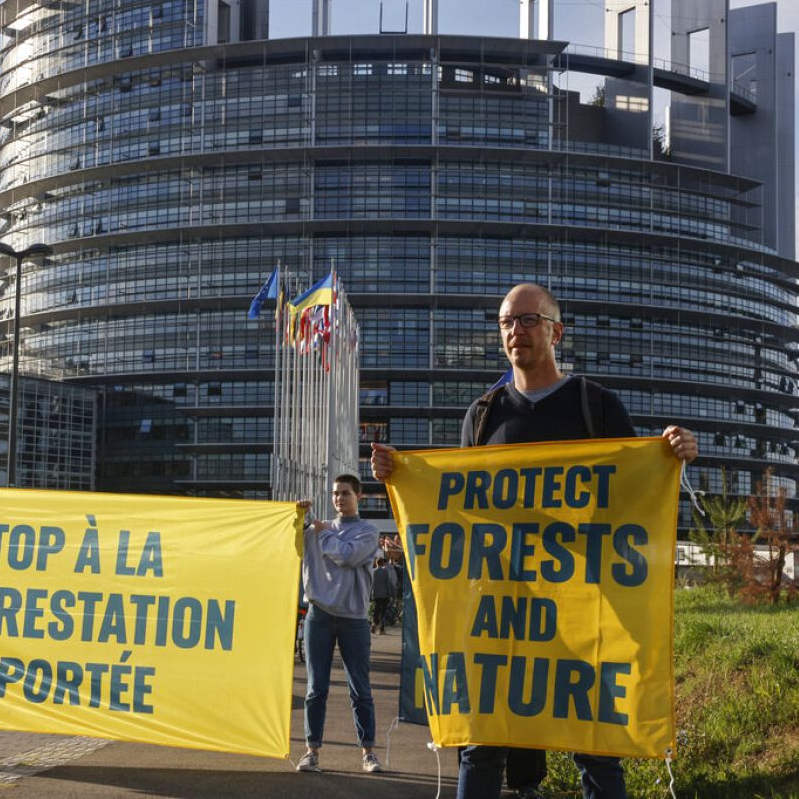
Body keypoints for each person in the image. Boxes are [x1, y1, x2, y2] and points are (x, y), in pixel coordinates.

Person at [371, 283, 698, 799]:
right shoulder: (482, 416)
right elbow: (459, 509)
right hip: (502, 612)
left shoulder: (596, 406)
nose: (514, 331)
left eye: (527, 320)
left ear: (556, 330)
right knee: (482, 748)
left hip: (584, 611)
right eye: (506, 322)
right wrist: (402, 476)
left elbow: (636, 495)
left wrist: (673, 453)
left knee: (597, 749)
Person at [295, 473, 384, 774]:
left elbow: (346, 556)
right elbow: (290, 544)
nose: (339, 498)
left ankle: (368, 753)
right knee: (315, 688)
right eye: (335, 493)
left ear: (358, 496)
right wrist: (296, 516)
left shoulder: (367, 532)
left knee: (360, 688)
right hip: (318, 615)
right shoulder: (316, 528)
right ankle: (311, 752)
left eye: (345, 493)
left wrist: (320, 532)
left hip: (354, 619)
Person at [370, 557, 398, 634]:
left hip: (376, 594)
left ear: (376, 563)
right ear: (382, 563)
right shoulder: (386, 571)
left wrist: (370, 594)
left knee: (376, 610)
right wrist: (390, 594)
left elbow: (371, 584)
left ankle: (374, 624)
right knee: (383, 612)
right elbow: (388, 583)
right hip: (385, 594)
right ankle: (381, 629)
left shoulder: (373, 572)